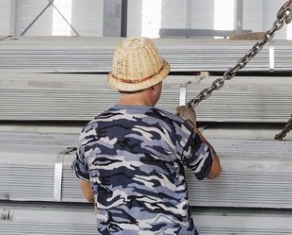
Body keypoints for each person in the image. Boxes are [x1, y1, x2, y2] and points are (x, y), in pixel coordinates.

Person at [73, 37, 222, 234]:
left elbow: (88, 193)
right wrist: (191, 129)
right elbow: (213, 170)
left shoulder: (91, 131)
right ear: (155, 84)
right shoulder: (174, 127)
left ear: (119, 85)